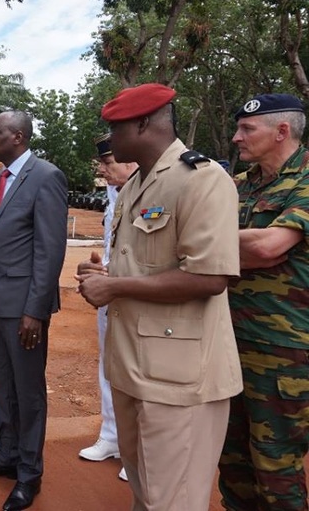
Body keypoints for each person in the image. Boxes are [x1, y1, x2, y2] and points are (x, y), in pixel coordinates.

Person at [76, 83, 242, 511]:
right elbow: (146, 266)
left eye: (115, 128)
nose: (109, 140)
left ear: (145, 123)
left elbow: (210, 276)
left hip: (181, 378)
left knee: (174, 501)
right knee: (147, 496)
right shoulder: (135, 186)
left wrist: (114, 287)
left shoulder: (202, 180)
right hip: (134, 366)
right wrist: (106, 274)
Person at [0, 111, 68, 511]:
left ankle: (28, 474)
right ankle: (5, 456)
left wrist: (35, 311)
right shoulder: (0, 179)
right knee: (4, 389)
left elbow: (49, 249)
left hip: (25, 309)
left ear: (18, 137)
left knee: (29, 394)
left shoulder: (46, 176)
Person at [218, 93, 309, 510]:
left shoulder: (306, 180)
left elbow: (268, 246)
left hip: (284, 354)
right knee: (232, 463)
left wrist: (194, 244)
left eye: (246, 129)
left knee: (276, 467)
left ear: (282, 132)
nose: (237, 137)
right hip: (225, 344)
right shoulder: (236, 185)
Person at [76, 133, 138, 483]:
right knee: (108, 366)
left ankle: (136, 450)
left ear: (131, 161)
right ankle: (112, 437)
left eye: (108, 163)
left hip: (138, 295)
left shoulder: (152, 191)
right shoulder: (112, 194)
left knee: (135, 371)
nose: (102, 170)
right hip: (108, 293)